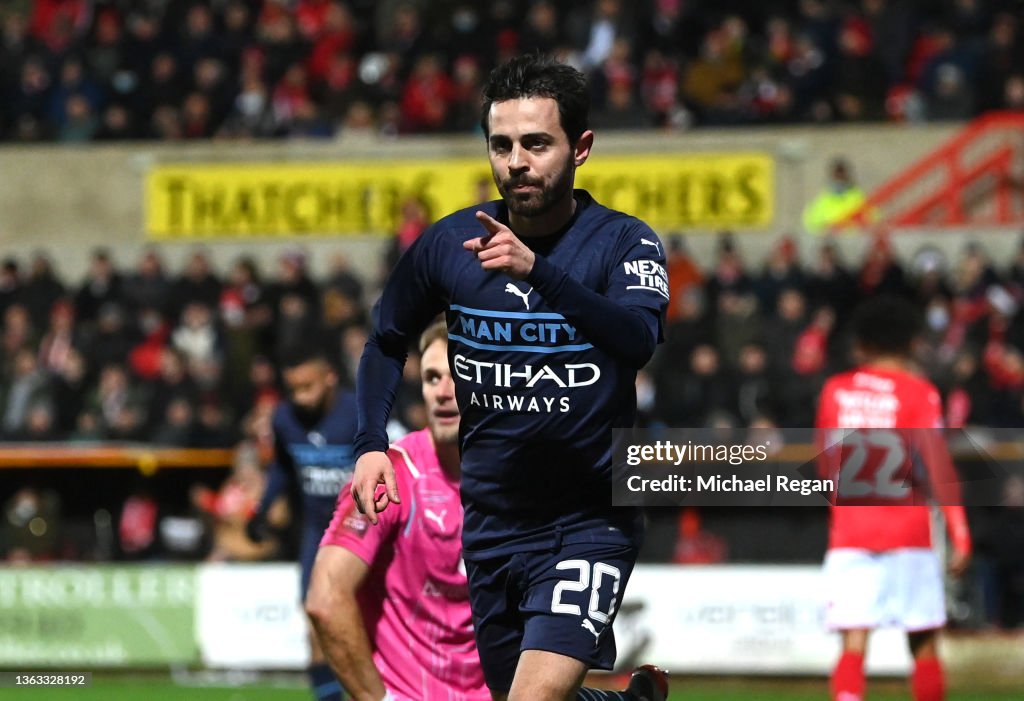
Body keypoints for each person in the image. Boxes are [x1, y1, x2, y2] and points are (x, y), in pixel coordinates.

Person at [349, 54, 669, 701]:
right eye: (501, 144)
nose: (516, 160)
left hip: (589, 518)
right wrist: (368, 445)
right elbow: (386, 338)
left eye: (536, 143)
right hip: (492, 522)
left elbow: (637, 339)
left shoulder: (624, 244)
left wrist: (538, 273)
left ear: (580, 148)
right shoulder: (449, 245)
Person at [306, 322, 489, 701]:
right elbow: (324, 597)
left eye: (458, 375)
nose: (442, 392)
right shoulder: (391, 474)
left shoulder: (519, 475)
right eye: (432, 377)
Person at [816, 296, 972, 701]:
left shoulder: (836, 390)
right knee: (923, 642)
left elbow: (824, 465)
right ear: (909, 342)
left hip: (851, 532)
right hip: (908, 531)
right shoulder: (919, 392)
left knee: (853, 642)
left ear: (863, 343)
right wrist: (960, 532)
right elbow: (938, 468)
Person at [247, 346, 357, 701]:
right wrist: (261, 510)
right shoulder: (283, 419)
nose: (300, 397)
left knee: (369, 629)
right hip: (317, 534)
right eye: (293, 389)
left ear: (330, 378)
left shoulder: (361, 413)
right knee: (316, 623)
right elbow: (282, 468)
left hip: (363, 533)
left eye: (307, 387)